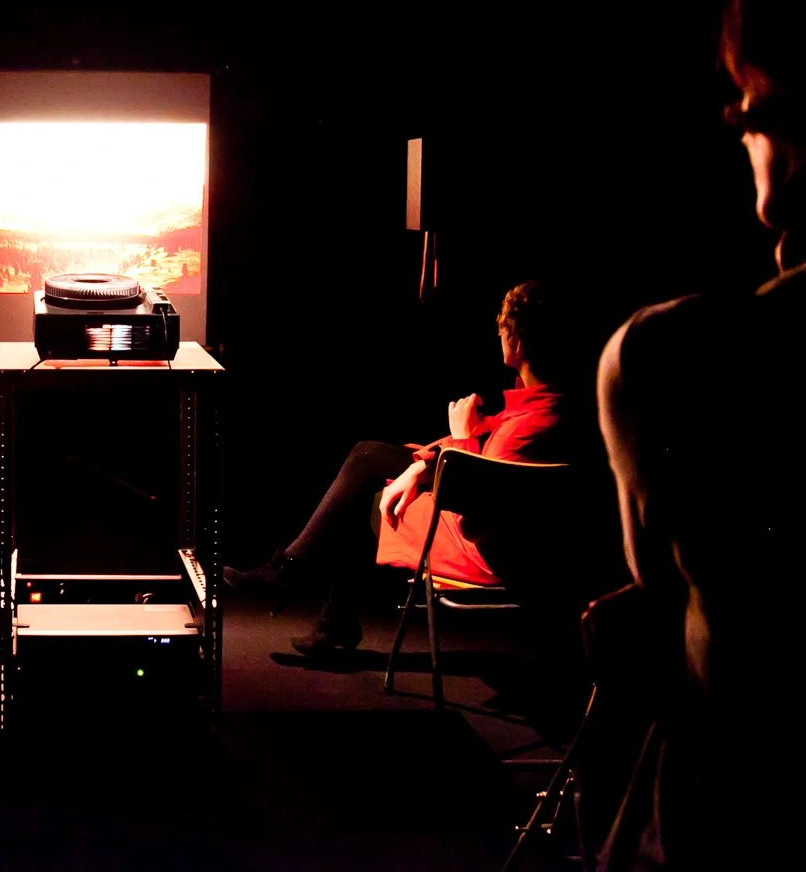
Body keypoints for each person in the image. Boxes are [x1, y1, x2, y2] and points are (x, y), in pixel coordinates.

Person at [592, 0, 802, 871]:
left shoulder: (670, 354)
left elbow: (661, 581)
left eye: (742, 112)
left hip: (739, 808)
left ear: (778, 120)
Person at [226, 280, 591, 658]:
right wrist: (426, 463)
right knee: (368, 459)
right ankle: (316, 605)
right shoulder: (553, 407)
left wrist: (460, 441)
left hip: (480, 551)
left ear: (515, 343)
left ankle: (301, 588)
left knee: (365, 490)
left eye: (502, 332)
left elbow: (477, 500)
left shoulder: (527, 427)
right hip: (513, 543)